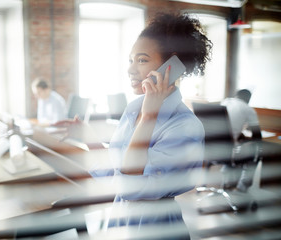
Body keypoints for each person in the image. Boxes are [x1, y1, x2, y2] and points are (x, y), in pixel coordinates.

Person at [54, 12, 212, 239]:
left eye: (142, 60)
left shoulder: (186, 127)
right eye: (131, 60)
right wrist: (89, 137)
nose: (130, 70)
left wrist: (149, 117)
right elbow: (113, 173)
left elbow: (131, 185)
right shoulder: (133, 109)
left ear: (172, 66)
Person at [221, 89, 262, 192]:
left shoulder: (224, 102)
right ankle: (242, 187)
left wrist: (239, 134)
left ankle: (227, 178)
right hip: (230, 152)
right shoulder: (247, 109)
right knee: (256, 152)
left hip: (211, 149)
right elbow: (257, 136)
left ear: (236, 95)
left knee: (238, 147)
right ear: (248, 99)